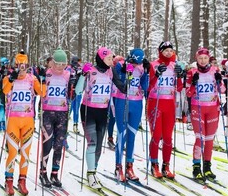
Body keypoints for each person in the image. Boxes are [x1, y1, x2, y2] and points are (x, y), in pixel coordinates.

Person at [75, 47, 124, 188]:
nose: (111, 61)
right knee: (92, 143)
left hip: (103, 112)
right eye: (109, 58)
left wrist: (129, 75)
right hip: (89, 111)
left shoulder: (111, 71)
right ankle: (90, 174)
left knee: (98, 145)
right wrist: (83, 75)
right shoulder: (91, 71)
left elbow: (122, 87)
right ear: (101, 59)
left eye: (112, 58)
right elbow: (78, 91)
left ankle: (93, 171)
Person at [2, 51, 45, 195]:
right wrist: (11, 79)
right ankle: (9, 181)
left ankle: (22, 180)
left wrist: (43, 80)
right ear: (15, 66)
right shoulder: (9, 78)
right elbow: (4, 90)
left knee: (26, 153)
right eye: (19, 66)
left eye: (24, 66)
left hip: (28, 120)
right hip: (13, 119)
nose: (22, 69)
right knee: (13, 152)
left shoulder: (32, 79)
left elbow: (41, 93)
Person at [185, 48, 225, 181]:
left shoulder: (215, 71)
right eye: (200, 58)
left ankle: (207, 167)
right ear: (197, 59)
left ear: (209, 59)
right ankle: (196, 167)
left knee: (209, 139)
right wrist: (193, 83)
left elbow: (222, 90)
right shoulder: (192, 71)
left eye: (205, 58)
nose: (203, 61)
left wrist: (220, 81)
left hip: (213, 108)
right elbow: (188, 93)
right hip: (198, 107)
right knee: (200, 138)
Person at [111, 48, 149, 181]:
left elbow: (145, 86)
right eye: (133, 61)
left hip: (137, 103)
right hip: (122, 100)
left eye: (137, 62)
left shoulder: (141, 68)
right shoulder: (121, 65)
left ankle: (129, 166)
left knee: (132, 134)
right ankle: (118, 166)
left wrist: (146, 73)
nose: (135, 65)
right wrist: (122, 72)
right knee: (122, 134)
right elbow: (115, 79)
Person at [147, 41, 184, 179]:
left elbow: (179, 88)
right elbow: (148, 87)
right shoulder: (153, 64)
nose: (168, 53)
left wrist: (180, 76)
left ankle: (166, 166)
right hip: (155, 103)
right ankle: (154, 164)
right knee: (156, 135)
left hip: (169, 104)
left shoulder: (175, 66)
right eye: (166, 50)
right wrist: (156, 74)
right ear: (160, 52)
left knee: (168, 137)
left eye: (171, 50)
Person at [39, 49, 75, 188]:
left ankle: (54, 173)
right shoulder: (47, 74)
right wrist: (40, 77)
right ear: (52, 63)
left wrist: (74, 82)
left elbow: (73, 94)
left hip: (62, 113)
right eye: (57, 63)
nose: (60, 67)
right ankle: (43, 172)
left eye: (63, 64)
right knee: (47, 143)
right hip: (47, 112)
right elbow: (38, 90)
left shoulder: (67, 74)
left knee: (59, 144)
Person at [0, 57, 11, 132]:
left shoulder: (9, 72)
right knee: (1, 108)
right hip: (0, 91)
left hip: (7, 92)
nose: (7, 65)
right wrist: (0, 74)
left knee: (6, 108)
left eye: (8, 63)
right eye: (6, 63)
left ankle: (4, 123)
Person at [69, 56, 82, 133]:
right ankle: (65, 125)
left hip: (77, 91)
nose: (79, 63)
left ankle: (75, 125)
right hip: (70, 91)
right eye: (78, 61)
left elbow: (83, 79)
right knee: (69, 108)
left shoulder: (80, 69)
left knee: (76, 109)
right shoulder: (69, 68)